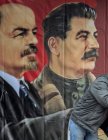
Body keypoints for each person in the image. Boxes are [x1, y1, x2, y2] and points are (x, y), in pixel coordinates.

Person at [33, 2, 108, 140]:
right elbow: (106, 101)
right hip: (79, 125)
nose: (96, 44)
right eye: (83, 36)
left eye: (95, 35)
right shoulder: (28, 98)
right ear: (55, 45)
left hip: (91, 128)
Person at [0, 3, 71, 140]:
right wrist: (71, 118)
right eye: (21, 33)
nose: (33, 40)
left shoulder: (30, 89)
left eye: (33, 32)